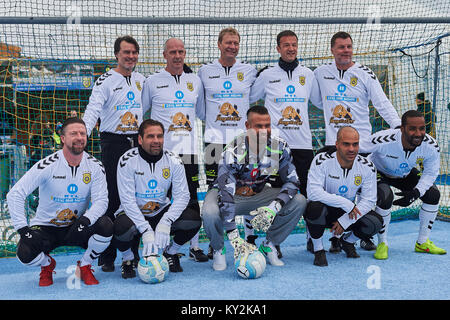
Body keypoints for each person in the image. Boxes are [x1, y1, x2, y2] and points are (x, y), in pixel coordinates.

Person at [313, 31, 401, 251]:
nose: (346, 51)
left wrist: (399, 127)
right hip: (334, 146)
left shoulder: (364, 73)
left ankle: (360, 235)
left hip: (361, 147)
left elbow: (381, 103)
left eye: (349, 46)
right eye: (341, 47)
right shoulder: (321, 73)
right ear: (332, 49)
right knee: (334, 193)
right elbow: (316, 99)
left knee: (362, 193)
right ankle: (333, 236)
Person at [6, 117, 113, 286]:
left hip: (76, 226)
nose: (79, 137)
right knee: (24, 253)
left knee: (106, 225)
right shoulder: (47, 165)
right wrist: (23, 229)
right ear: (63, 138)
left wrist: (85, 220)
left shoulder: (95, 166)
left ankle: (85, 265)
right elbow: (15, 194)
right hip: (47, 228)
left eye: (82, 133)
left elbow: (101, 200)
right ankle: (47, 265)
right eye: (73, 133)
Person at [201, 105, 306, 271]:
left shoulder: (279, 148)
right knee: (209, 212)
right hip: (229, 196)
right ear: (248, 127)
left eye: (267, 125)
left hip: (258, 195)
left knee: (299, 201)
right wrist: (235, 237)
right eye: (259, 126)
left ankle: (269, 244)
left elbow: (293, 182)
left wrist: (274, 207)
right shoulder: (233, 151)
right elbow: (226, 197)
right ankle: (218, 249)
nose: (264, 130)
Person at [82, 35, 146, 272]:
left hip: (137, 143)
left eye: (134, 52)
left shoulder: (142, 79)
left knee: (136, 198)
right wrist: (82, 136)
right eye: (126, 52)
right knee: (111, 198)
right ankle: (106, 254)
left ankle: (134, 252)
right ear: (117, 54)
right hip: (113, 143)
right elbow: (92, 110)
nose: (130, 56)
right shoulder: (106, 80)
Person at [141, 38, 207, 262]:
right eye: (172, 52)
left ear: (184, 54)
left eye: (181, 52)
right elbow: (142, 113)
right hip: (162, 155)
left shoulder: (194, 81)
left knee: (191, 202)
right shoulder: (152, 81)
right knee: (164, 203)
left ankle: (193, 246)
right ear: (164, 55)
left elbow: (200, 112)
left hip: (188, 154)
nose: (177, 56)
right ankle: (164, 248)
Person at [113, 119, 201, 277]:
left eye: (159, 136)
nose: (156, 141)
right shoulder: (126, 161)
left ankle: (171, 252)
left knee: (193, 219)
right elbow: (127, 200)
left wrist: (166, 221)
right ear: (140, 139)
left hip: (160, 212)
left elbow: (183, 196)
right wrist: (145, 229)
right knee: (120, 227)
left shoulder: (174, 160)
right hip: (134, 214)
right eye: (150, 136)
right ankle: (128, 258)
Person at [197, 27, 258, 256]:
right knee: (218, 195)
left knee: (248, 190)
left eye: (236, 43)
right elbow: (201, 110)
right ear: (219, 44)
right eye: (228, 43)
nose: (232, 46)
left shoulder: (249, 71)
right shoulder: (205, 71)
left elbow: (251, 103)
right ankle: (218, 246)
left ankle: (250, 239)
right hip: (213, 143)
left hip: (242, 143)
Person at [249, 30, 322, 198]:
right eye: (286, 45)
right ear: (278, 48)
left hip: (302, 145)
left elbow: (320, 102)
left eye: (294, 45)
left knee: (308, 194)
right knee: (273, 195)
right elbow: (250, 97)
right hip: (273, 146)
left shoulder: (308, 74)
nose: (291, 48)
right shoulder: (267, 75)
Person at [366, 110, 445, 259]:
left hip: (404, 173)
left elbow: (430, 173)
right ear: (402, 129)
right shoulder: (383, 138)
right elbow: (358, 149)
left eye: (422, 128)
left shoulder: (431, 146)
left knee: (433, 194)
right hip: (378, 171)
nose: (418, 133)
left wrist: (416, 192)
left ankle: (422, 242)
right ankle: (382, 243)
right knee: (385, 196)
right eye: (412, 128)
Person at [304, 126, 382, 266]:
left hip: (349, 214)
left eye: (355, 144)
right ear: (337, 144)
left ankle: (347, 241)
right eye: (346, 144)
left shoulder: (367, 166)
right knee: (313, 208)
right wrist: (345, 204)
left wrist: (345, 221)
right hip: (326, 211)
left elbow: (369, 200)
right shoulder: (321, 160)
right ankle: (318, 248)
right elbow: (313, 192)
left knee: (375, 222)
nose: (351, 149)